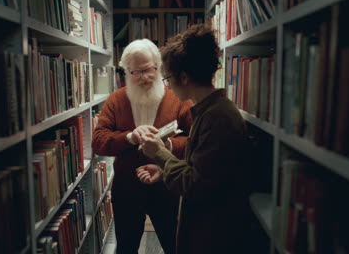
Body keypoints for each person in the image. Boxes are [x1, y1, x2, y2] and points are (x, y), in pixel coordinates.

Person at [136, 24, 252, 254]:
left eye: (168, 78)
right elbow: (205, 170)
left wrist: (160, 152)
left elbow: (195, 184)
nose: (167, 85)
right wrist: (165, 170)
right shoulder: (209, 110)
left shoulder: (217, 117)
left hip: (212, 237)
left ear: (184, 77)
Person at [92, 38, 193, 254]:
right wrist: (129, 137)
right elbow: (98, 142)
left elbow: (196, 140)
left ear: (159, 67)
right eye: (134, 72)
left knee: (176, 246)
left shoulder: (178, 98)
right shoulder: (115, 100)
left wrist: (166, 145)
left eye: (148, 70)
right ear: (126, 72)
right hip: (127, 190)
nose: (142, 78)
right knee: (126, 248)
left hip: (168, 187)